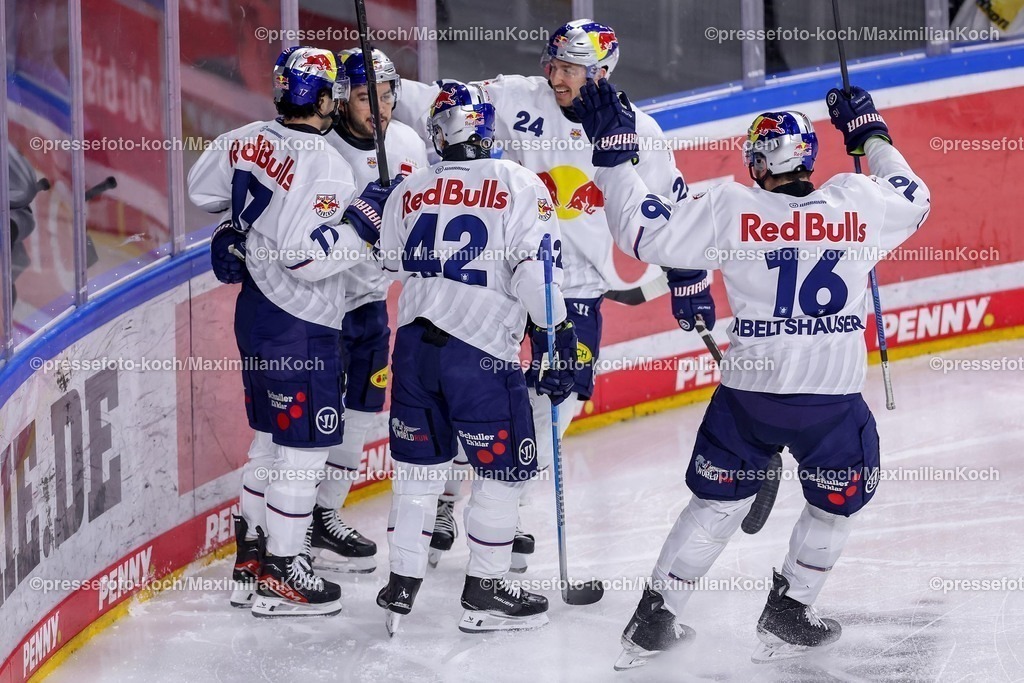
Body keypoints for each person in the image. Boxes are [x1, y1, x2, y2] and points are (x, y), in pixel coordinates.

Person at [572, 80, 930, 667]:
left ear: (758, 161)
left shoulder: (730, 207)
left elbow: (640, 234)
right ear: (809, 157)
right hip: (829, 406)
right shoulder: (858, 201)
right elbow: (915, 197)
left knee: (714, 506)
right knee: (834, 505)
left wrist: (612, 155)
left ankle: (653, 619)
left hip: (747, 401)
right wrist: (869, 130)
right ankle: (791, 609)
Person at [394, 18, 715, 572]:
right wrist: (390, 92)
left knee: (560, 396)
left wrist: (689, 277)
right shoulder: (519, 98)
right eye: (553, 63)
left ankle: (503, 507)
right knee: (461, 386)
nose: (555, 74)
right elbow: (442, 104)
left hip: (578, 288)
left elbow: (672, 211)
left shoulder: (638, 133)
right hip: (502, 280)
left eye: (568, 68)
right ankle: (448, 499)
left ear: (601, 73)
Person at [187, 46, 400, 616]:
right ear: (326, 98)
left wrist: (243, 225)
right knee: (303, 451)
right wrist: (361, 223)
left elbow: (201, 192)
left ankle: (251, 564)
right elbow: (305, 257)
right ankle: (284, 574)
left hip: (254, 312)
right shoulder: (324, 163)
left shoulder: (245, 137)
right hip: (300, 319)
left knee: (266, 446)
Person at [375, 80, 577, 635]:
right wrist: (558, 338)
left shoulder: (410, 188)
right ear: (486, 127)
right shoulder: (518, 183)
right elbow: (535, 273)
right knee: (504, 472)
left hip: (414, 349)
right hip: (481, 353)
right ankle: (485, 590)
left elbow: (387, 263)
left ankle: (401, 584)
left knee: (416, 474)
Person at [290, 47, 427, 575]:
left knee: (363, 410)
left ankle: (323, 515)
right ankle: (289, 532)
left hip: (371, 302)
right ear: (343, 97)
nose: (382, 107)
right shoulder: (317, 149)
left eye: (389, 93)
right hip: (316, 307)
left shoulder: (409, 142)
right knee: (308, 423)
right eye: (369, 96)